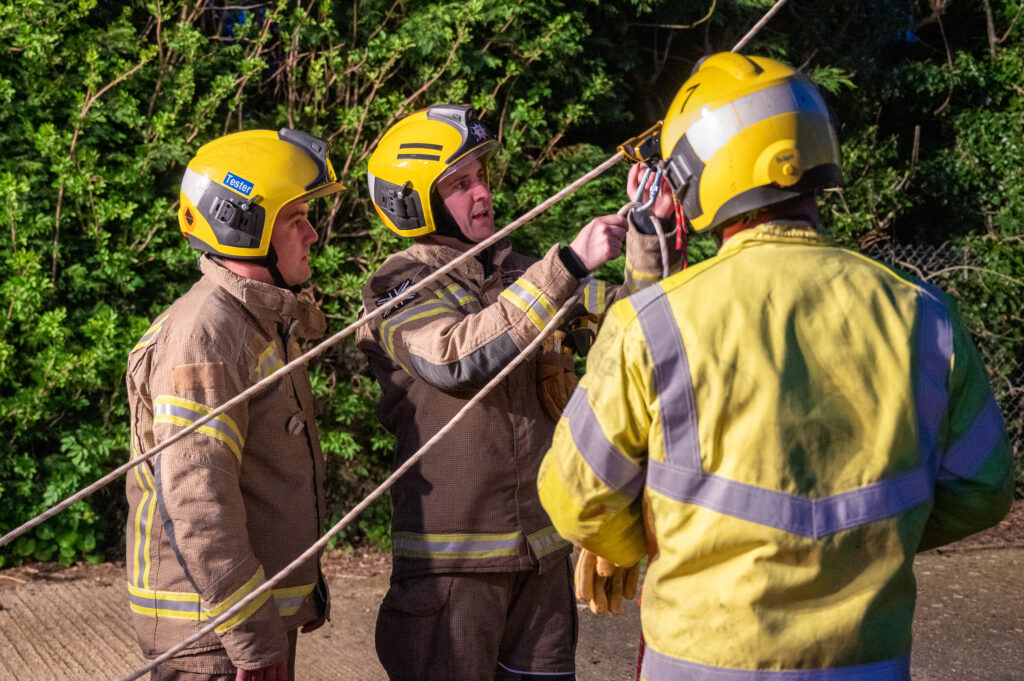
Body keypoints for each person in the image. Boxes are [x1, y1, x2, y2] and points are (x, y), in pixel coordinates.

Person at [538, 52, 1014, 681]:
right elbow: (984, 489)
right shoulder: (924, 318)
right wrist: (865, 547)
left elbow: (574, 498)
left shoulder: (650, 324)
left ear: (697, 174)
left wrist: (658, 543)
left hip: (699, 662)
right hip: (865, 662)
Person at [356, 104, 681, 681]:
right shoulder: (397, 287)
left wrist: (646, 236)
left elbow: (629, 328)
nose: (482, 193)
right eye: (459, 185)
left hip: (542, 557)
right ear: (412, 202)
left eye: (481, 175)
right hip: (452, 572)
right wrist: (570, 264)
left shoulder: (518, 273)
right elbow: (457, 357)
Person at [125, 129, 344, 681]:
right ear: (245, 225)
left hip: (233, 626)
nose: (313, 234)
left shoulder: (251, 321)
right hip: (215, 641)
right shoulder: (208, 334)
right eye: (296, 219)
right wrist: (250, 635)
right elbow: (198, 504)